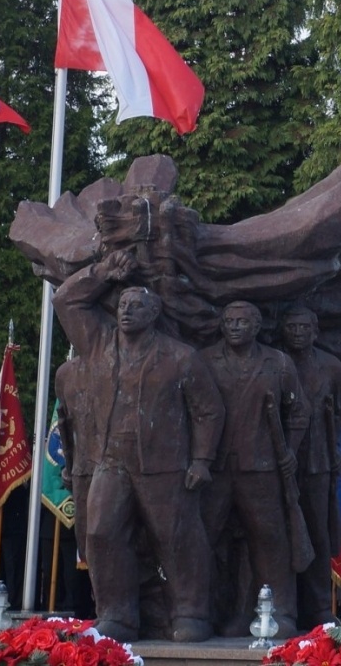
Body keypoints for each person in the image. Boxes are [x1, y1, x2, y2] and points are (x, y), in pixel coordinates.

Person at [52, 251, 225, 643]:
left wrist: (201, 459)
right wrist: (101, 272)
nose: (127, 311)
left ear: (154, 312)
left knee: (177, 536)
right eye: (123, 304)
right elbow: (65, 300)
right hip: (109, 461)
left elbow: (208, 412)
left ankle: (191, 612)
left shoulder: (180, 357)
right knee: (100, 532)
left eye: (137, 306)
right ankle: (117, 614)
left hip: (163, 464)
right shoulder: (97, 343)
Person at [199, 301, 306, 638]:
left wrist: (290, 450)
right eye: (228, 321)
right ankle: (199, 611)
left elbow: (299, 413)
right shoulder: (204, 361)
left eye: (242, 322)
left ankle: (283, 613)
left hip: (262, 468)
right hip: (214, 469)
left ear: (257, 326)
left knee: (270, 541)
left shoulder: (278, 363)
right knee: (203, 539)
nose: (234, 327)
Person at [278, 306, 341, 629]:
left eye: (303, 326)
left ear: (315, 331)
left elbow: (339, 412)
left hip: (318, 460)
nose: (297, 332)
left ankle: (320, 605)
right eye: (291, 326)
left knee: (318, 533)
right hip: (281, 460)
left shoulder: (331, 366)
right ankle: (284, 606)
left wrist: (334, 447)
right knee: (281, 532)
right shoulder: (277, 363)